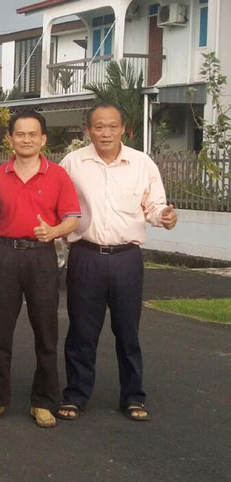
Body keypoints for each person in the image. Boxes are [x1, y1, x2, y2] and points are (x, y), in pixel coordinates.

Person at [57, 102, 178, 422]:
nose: (105, 132)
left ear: (124, 128)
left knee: (128, 332)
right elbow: (61, 205)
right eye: (99, 126)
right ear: (88, 130)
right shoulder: (73, 163)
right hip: (85, 256)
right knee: (81, 332)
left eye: (112, 126)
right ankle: (76, 395)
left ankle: (133, 396)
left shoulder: (142, 163)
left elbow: (154, 207)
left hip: (127, 259)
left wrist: (164, 216)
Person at [0, 111, 81, 429]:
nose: (26, 139)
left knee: (46, 334)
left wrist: (54, 231)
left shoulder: (58, 175)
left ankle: (44, 401)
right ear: (10, 139)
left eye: (32, 134)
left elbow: (72, 217)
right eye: (20, 134)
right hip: (7, 256)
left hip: (42, 258)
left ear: (43, 139)